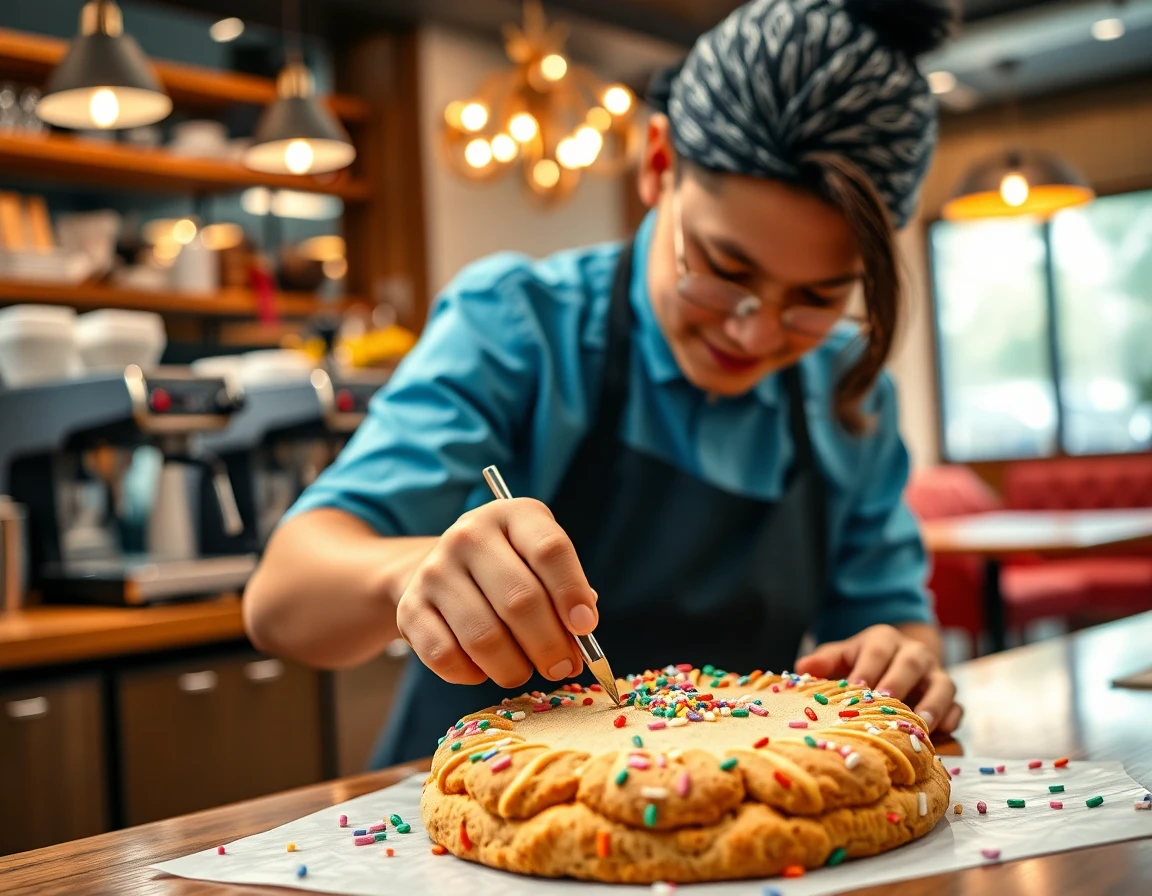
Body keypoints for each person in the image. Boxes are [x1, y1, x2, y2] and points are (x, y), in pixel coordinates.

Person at [244, 0, 964, 768]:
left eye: (818, 300)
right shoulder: (520, 328)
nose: (753, 333)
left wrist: (902, 660)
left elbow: (893, 627)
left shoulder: (848, 396)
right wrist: (407, 573)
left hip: (732, 845)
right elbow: (281, 602)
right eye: (722, 273)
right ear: (658, 165)